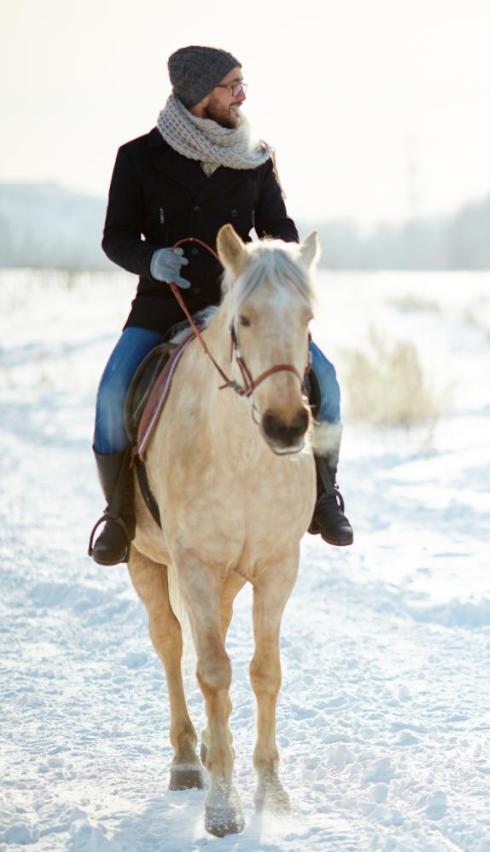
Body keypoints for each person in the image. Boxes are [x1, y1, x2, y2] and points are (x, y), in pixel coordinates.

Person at [89, 45, 353, 565]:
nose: (241, 95)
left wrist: (269, 260)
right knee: (112, 390)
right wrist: (153, 259)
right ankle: (119, 516)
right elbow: (115, 236)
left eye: (241, 84)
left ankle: (324, 497)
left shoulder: (256, 155)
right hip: (164, 304)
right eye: (231, 85)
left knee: (326, 381)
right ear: (199, 94)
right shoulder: (138, 158)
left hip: (247, 311)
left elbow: (280, 229)